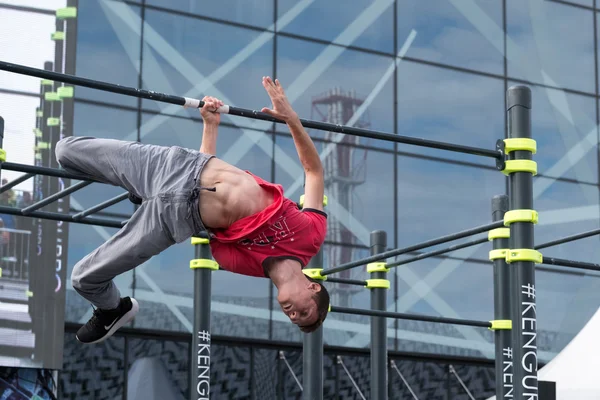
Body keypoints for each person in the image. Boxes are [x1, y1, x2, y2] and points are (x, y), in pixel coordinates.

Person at [55, 76, 330, 344]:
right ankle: (140, 192)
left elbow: (204, 216)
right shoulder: (310, 237)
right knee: (65, 151)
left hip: (171, 218)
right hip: (175, 166)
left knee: (84, 278)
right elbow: (313, 171)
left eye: (294, 318)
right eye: (303, 311)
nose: (293, 314)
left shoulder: (244, 265)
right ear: (313, 287)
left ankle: (113, 309)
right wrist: (289, 118)